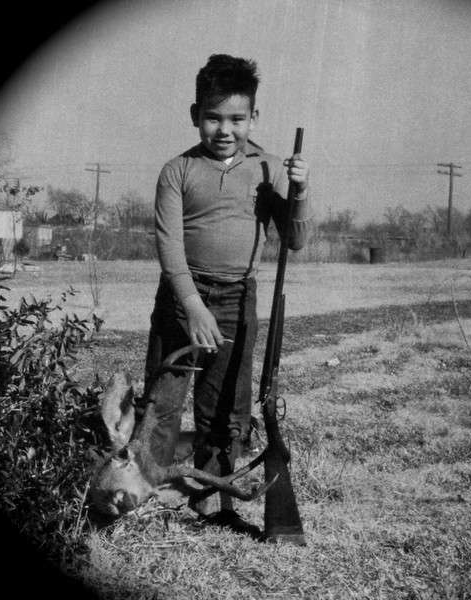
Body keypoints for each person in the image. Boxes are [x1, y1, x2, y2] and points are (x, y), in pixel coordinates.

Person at [142, 54, 311, 535]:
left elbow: (295, 239)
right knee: (162, 402)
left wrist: (301, 191)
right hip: (181, 299)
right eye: (213, 117)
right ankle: (149, 496)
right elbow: (169, 248)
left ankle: (212, 501)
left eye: (237, 118)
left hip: (239, 299)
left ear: (253, 117)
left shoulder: (270, 168)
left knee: (225, 408)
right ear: (195, 115)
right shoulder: (177, 171)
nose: (225, 129)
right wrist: (193, 306)